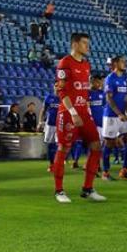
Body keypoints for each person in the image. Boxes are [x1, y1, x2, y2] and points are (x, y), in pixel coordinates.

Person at [51, 32, 105, 203]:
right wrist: (73, 113)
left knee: (96, 145)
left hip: (84, 112)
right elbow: (62, 91)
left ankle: (88, 188)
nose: (87, 46)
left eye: (88, 43)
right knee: (63, 149)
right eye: (84, 43)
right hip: (68, 113)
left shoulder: (87, 64)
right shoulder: (65, 63)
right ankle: (59, 191)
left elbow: (83, 90)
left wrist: (85, 110)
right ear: (74, 44)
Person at [101, 55, 127, 181]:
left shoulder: (124, 79)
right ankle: (105, 172)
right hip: (111, 116)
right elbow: (109, 98)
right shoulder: (110, 78)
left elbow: (126, 99)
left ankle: (124, 170)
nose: (125, 63)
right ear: (116, 63)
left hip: (122, 116)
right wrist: (119, 114)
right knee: (109, 143)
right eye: (123, 61)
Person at [41, 89, 60, 171]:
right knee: (50, 144)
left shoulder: (64, 98)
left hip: (60, 124)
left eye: (58, 85)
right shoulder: (49, 97)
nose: (57, 87)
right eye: (56, 85)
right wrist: (40, 121)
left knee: (59, 145)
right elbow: (43, 109)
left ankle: (58, 163)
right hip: (50, 124)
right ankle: (52, 164)